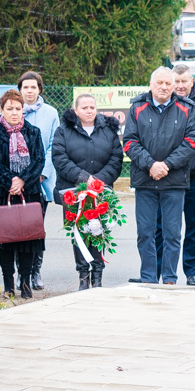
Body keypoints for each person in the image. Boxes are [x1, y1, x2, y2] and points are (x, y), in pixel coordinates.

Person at [124, 67, 195, 284]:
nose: (165, 87)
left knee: (172, 235)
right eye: (160, 83)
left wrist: (166, 165)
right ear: (151, 85)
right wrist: (150, 165)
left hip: (174, 182)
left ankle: (169, 279)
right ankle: (148, 277)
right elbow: (129, 141)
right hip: (145, 182)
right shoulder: (137, 108)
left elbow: (193, 142)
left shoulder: (186, 109)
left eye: (168, 83)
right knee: (146, 234)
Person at [154, 64, 195, 286]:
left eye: (184, 81)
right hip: (167, 180)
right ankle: (159, 271)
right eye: (176, 82)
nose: (180, 86)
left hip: (194, 178)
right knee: (162, 227)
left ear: (192, 81)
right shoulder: (162, 105)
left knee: (194, 226)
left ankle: (192, 271)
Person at [52, 94, 123, 289]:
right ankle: (83, 277)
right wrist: (84, 179)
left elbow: (116, 159)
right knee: (80, 232)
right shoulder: (63, 131)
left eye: (92, 107)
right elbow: (59, 158)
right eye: (84, 107)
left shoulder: (108, 131)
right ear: (76, 111)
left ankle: (97, 277)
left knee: (99, 232)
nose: (89, 110)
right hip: (73, 192)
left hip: (101, 192)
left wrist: (98, 181)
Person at [0, 89, 45, 298]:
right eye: (10, 109)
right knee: (5, 240)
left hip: (29, 191)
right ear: (2, 110)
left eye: (18, 109)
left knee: (27, 241)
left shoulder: (33, 132)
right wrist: (9, 181)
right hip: (1, 192)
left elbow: (39, 160)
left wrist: (22, 180)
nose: (14, 113)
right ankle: (8, 285)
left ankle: (25, 284)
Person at [19, 71, 60, 291]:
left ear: (39, 89)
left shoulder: (51, 113)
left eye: (33, 87)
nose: (29, 91)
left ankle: (35, 272)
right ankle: (21, 274)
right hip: (16, 182)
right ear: (20, 90)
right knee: (16, 229)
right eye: (25, 87)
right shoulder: (14, 111)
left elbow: (54, 145)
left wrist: (41, 173)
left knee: (35, 229)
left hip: (40, 181)